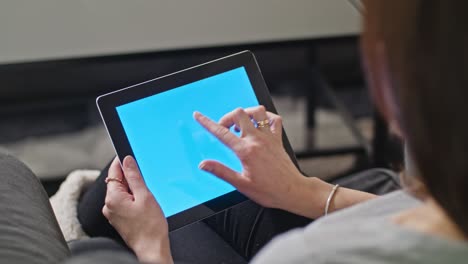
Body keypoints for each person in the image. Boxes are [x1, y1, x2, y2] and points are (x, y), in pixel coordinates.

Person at [1, 0, 468, 263]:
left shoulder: (316, 254)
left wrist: (151, 247)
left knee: (96, 254)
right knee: (204, 187)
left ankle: (99, 227)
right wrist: (308, 193)